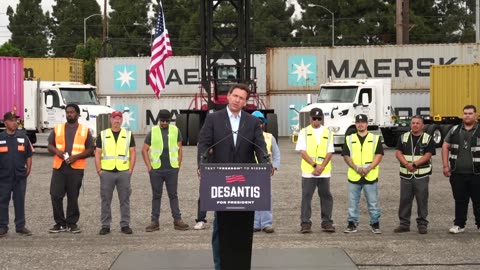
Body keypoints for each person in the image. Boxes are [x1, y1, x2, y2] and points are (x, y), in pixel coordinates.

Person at [197, 83, 268, 270]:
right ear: (228, 96)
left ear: (246, 102)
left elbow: (260, 147)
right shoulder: (213, 119)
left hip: (247, 182)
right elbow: (203, 144)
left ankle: (242, 265)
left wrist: (266, 164)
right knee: (221, 229)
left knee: (243, 228)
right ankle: (220, 265)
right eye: (235, 96)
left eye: (242, 98)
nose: (238, 100)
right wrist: (201, 166)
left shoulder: (252, 122)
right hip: (220, 181)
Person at [47, 104, 94, 234]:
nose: (69, 114)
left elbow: (90, 149)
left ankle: (72, 223)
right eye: (67, 112)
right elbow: (49, 145)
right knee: (55, 195)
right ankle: (60, 223)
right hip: (59, 167)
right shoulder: (58, 128)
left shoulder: (85, 130)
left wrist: (76, 157)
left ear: (78, 114)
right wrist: (58, 152)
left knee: (73, 197)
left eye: (72, 112)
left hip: (76, 168)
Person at [142, 109, 189, 232]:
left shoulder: (175, 130)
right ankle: (154, 221)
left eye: (166, 121)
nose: (164, 123)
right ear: (159, 120)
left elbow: (179, 149)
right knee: (156, 196)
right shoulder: (153, 131)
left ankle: (177, 220)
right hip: (156, 170)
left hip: (172, 169)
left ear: (169, 120)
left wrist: (178, 165)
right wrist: (149, 167)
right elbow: (144, 150)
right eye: (162, 120)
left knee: (173, 195)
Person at [95, 111, 136, 235]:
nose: (117, 121)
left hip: (123, 172)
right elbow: (97, 153)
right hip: (107, 172)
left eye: (119, 118)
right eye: (115, 118)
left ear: (122, 120)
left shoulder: (128, 135)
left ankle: (125, 224)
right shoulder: (103, 135)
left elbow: (133, 152)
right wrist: (99, 170)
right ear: (111, 120)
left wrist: (130, 170)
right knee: (106, 200)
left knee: (125, 199)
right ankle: (105, 225)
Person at [342, 114, 384, 234]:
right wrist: (356, 168)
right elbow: (346, 155)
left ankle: (375, 224)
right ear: (355, 124)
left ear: (367, 124)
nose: (360, 124)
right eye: (358, 122)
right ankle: (352, 224)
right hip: (354, 176)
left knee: (372, 202)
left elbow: (379, 155)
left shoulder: (375, 138)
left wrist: (369, 168)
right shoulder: (349, 138)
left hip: (370, 175)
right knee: (352, 203)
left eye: (363, 122)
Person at [295, 107, 335, 234]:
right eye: (314, 118)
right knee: (306, 197)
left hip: (324, 171)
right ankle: (305, 223)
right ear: (310, 118)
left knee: (326, 197)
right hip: (309, 171)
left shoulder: (328, 133)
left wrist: (321, 166)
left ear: (321, 119)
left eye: (319, 118)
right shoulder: (304, 132)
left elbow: (330, 152)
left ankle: (327, 222)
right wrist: (314, 165)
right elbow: (302, 151)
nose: (316, 121)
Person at [394, 115, 435, 234]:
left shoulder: (428, 138)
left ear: (422, 125)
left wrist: (415, 164)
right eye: (413, 123)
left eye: (418, 123)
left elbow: (428, 155)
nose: (415, 125)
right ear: (410, 125)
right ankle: (404, 224)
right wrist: (407, 164)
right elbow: (398, 152)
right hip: (406, 175)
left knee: (422, 200)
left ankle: (422, 224)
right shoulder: (403, 137)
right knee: (404, 200)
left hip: (421, 175)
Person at [442, 105, 480, 234]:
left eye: (470, 113)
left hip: (477, 174)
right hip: (457, 173)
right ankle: (459, 224)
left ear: (475, 115)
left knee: (478, 201)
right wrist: (446, 166)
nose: (467, 115)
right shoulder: (454, 130)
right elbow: (445, 146)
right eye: (465, 113)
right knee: (460, 200)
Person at [0, 112, 33, 237]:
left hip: (19, 176)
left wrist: (28, 168)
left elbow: (29, 155)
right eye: (12, 120)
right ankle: (3, 226)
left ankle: (20, 226)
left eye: (16, 120)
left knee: (19, 201)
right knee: (3, 201)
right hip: (4, 176)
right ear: (5, 123)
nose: (15, 123)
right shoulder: (1, 138)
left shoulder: (23, 137)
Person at [252, 110, 280, 233]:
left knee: (266, 197)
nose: (259, 124)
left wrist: (274, 166)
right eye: (256, 122)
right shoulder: (247, 137)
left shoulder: (269, 137)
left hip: (264, 172)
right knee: (253, 197)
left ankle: (266, 223)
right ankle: (255, 223)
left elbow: (276, 153)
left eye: (260, 122)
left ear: (264, 123)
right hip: (250, 171)